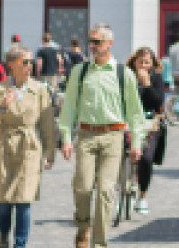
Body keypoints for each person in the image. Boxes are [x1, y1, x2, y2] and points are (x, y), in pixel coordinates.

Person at [58, 26, 148, 248]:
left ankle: (100, 243)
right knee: (82, 187)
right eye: (91, 41)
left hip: (113, 136)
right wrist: (67, 137)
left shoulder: (123, 73)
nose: (93, 45)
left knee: (106, 191)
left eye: (98, 41)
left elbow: (135, 112)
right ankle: (82, 227)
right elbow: (68, 107)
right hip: (86, 135)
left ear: (109, 43)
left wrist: (137, 141)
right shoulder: (79, 71)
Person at [0, 47, 57, 248]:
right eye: (24, 62)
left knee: (24, 200)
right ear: (11, 64)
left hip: (29, 146)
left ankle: (20, 244)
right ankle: (3, 236)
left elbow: (47, 122)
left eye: (30, 62)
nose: (29, 66)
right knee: (4, 202)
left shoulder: (39, 89)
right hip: (6, 145)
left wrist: (50, 149)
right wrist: (2, 105)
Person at [125, 47, 168, 215]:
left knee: (146, 158)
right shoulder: (127, 77)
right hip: (128, 121)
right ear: (134, 62)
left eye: (147, 62)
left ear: (152, 64)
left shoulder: (156, 78)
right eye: (140, 62)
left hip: (150, 122)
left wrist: (147, 84)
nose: (143, 65)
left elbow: (157, 101)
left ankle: (142, 195)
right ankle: (122, 190)